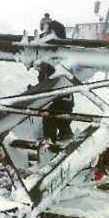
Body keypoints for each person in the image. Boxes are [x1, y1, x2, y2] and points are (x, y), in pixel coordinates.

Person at [38, 12, 74, 142]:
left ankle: (52, 144)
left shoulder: (56, 50)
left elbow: (48, 74)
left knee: (52, 122)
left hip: (58, 96)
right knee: (61, 123)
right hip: (62, 97)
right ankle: (61, 139)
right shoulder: (57, 49)